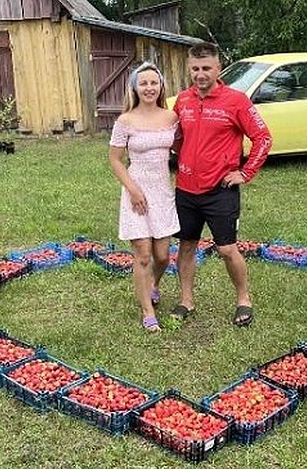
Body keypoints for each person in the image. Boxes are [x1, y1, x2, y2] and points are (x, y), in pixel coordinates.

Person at [169, 41, 272, 327]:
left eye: (206, 68)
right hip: (186, 189)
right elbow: (176, 138)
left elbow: (263, 137)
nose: (200, 74)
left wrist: (246, 172)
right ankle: (186, 300)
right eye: (195, 69)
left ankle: (243, 300)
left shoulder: (236, 100)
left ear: (218, 68)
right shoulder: (183, 100)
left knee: (227, 249)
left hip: (221, 190)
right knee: (186, 246)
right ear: (189, 69)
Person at [109, 62, 180, 332]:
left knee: (162, 256)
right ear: (135, 88)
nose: (149, 88)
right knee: (142, 256)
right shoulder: (125, 121)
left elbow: (183, 147)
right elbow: (115, 160)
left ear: (161, 86)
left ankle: (153, 285)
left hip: (162, 192)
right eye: (144, 83)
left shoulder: (171, 117)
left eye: (154, 83)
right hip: (136, 192)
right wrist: (133, 190)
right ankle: (147, 312)